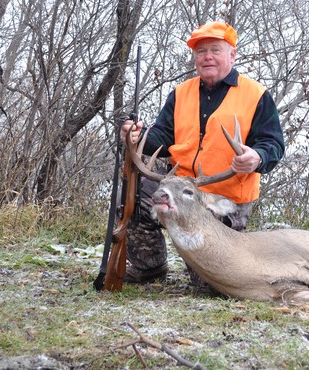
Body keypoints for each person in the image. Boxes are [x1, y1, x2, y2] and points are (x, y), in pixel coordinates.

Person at [121, 21, 285, 286]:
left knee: (208, 285)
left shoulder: (256, 95)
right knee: (131, 191)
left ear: (232, 55)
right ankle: (149, 266)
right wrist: (138, 137)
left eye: (215, 50)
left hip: (223, 198)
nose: (207, 56)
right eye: (200, 51)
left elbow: (273, 144)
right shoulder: (181, 93)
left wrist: (257, 157)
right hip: (180, 187)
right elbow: (163, 137)